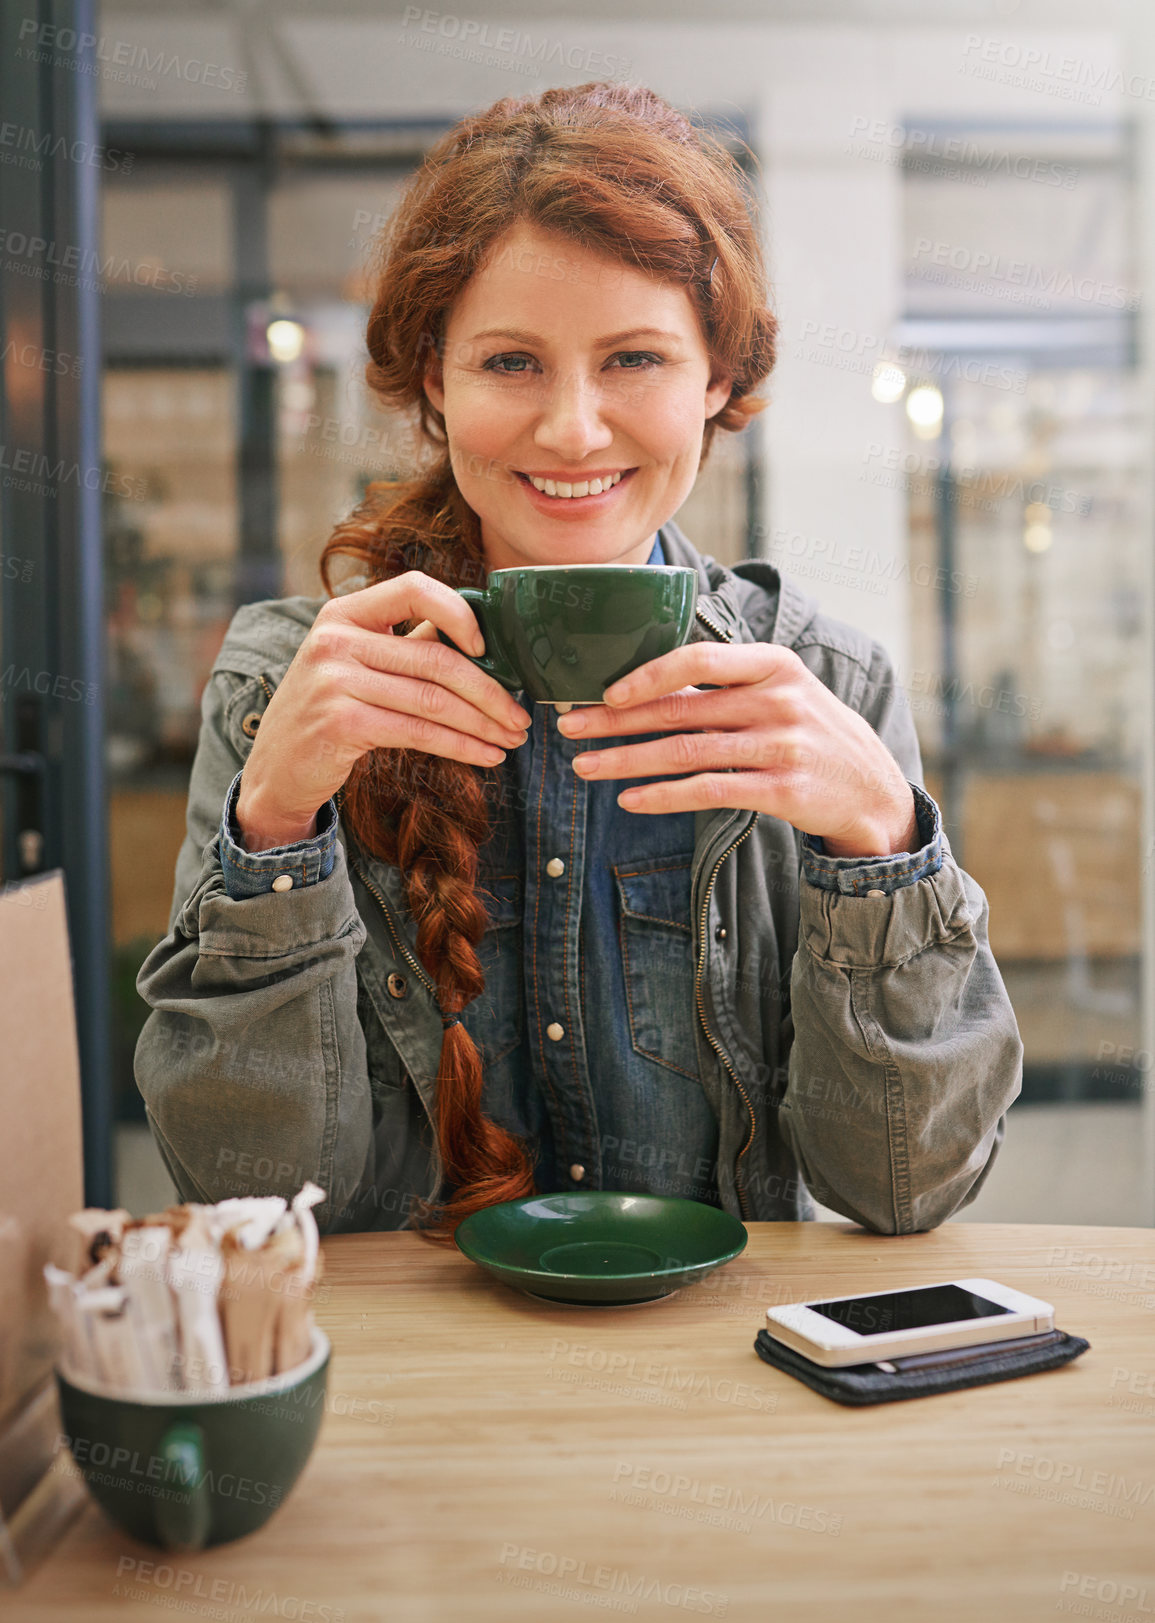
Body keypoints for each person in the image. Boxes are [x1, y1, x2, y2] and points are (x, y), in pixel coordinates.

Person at [134, 81, 1023, 1242]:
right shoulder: (281, 686)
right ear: (436, 388)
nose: (571, 429)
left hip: (724, 1387)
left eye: (635, 360)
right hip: (400, 1394)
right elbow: (247, 1203)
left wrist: (883, 850)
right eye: (510, 362)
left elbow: (908, 1194)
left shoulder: (828, 688)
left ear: (717, 380)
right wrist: (277, 833)